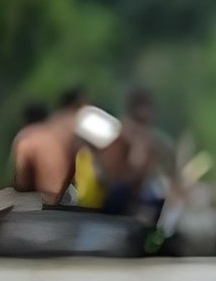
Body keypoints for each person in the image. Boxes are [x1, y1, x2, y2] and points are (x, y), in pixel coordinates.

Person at [98, 87, 176, 218]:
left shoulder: (148, 136)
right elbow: (136, 164)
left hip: (134, 195)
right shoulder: (125, 132)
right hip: (117, 194)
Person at [12, 86, 88, 204]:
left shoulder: (26, 138)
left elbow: (22, 183)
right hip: (70, 195)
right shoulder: (73, 125)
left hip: (44, 198)